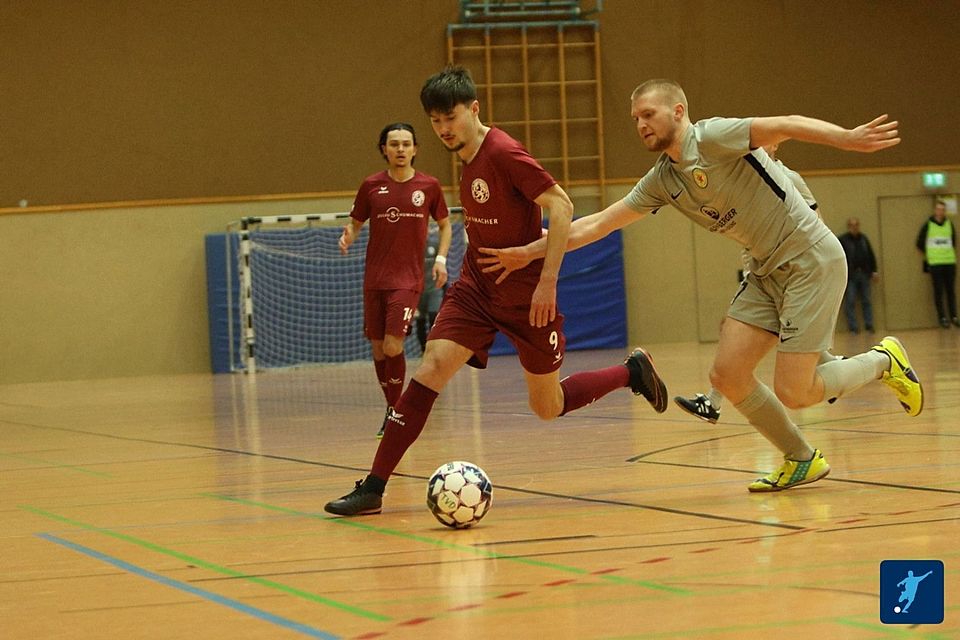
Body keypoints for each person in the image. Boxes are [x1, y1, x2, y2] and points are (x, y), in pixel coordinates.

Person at [479, 79, 924, 492]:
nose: (640, 125)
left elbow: (785, 124)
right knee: (727, 375)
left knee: (795, 390)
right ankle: (802, 457)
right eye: (635, 119)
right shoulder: (664, 180)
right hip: (765, 271)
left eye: (648, 114)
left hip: (810, 258)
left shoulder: (711, 137)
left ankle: (883, 360)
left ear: (678, 111)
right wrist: (530, 252)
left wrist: (846, 138)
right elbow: (595, 225)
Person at [324, 66, 667, 516]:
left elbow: (562, 207)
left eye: (451, 117)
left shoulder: (503, 151)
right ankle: (373, 487)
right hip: (476, 290)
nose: (444, 128)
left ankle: (631, 373)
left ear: (474, 109)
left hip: (525, 298)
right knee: (430, 367)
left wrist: (545, 280)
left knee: (548, 406)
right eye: (436, 121)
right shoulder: (465, 158)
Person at [673, 143, 842, 424]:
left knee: (777, 331)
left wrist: (813, 266)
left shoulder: (790, 178)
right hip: (760, 269)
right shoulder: (744, 176)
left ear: (775, 145)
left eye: (764, 139)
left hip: (793, 268)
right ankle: (834, 370)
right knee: (763, 329)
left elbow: (815, 222)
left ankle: (842, 370)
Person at [340, 122, 452, 438]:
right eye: (394, 144)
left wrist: (441, 260)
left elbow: (445, 225)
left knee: (393, 345)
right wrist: (348, 235)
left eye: (406, 144)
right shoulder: (371, 186)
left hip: (408, 279)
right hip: (374, 278)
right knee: (378, 348)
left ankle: (396, 412)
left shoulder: (428, 186)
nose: (400, 149)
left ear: (415, 149)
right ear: (384, 149)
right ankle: (392, 409)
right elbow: (356, 222)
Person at [915, 200, 959, 328]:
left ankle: (954, 317)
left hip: (949, 262)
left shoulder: (949, 224)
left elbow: (953, 242)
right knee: (938, 291)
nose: (941, 212)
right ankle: (942, 318)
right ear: (935, 211)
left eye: (943, 209)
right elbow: (919, 243)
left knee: (951, 291)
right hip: (935, 263)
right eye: (938, 209)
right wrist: (929, 254)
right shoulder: (928, 225)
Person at [838, 217, 878, 333]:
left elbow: (870, 255)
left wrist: (874, 270)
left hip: (864, 274)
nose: (854, 228)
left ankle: (869, 325)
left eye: (856, 225)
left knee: (866, 300)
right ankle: (853, 327)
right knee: (850, 301)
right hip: (851, 276)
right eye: (852, 225)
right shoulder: (843, 240)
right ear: (848, 226)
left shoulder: (864, 239)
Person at [415, 227, 445, 354]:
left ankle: (435, 349)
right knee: (420, 320)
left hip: (434, 289)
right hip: (418, 291)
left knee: (434, 317)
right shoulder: (412, 248)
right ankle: (423, 350)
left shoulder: (435, 244)